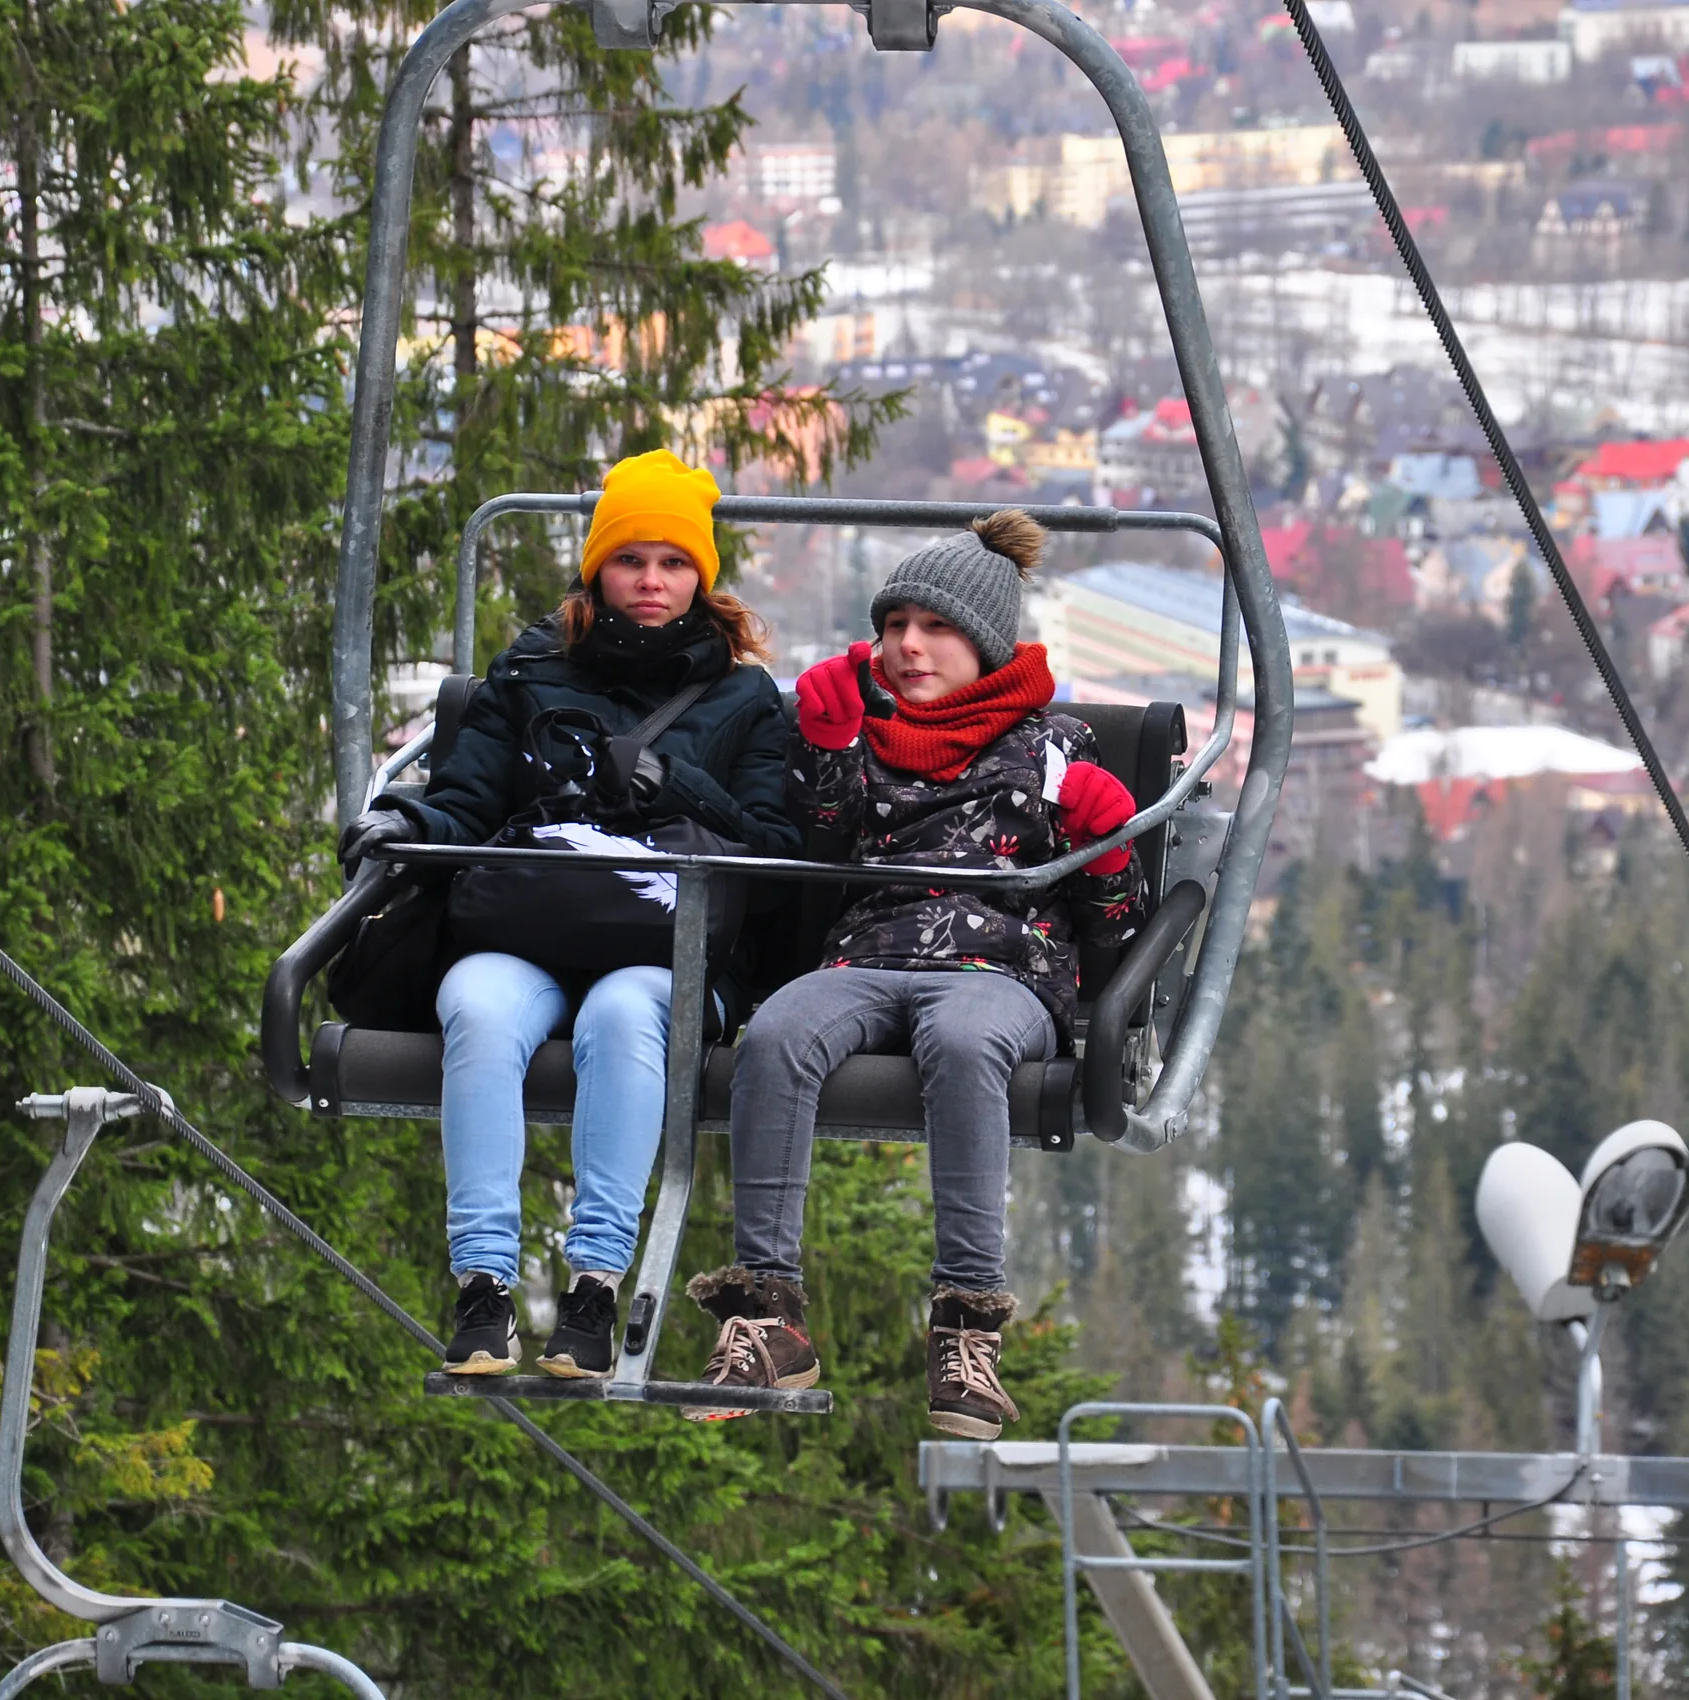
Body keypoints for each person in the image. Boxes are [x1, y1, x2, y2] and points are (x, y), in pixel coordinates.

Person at [680, 510, 1151, 1437]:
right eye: (894, 626)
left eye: (933, 628)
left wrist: (1104, 851)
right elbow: (822, 834)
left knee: (965, 1042)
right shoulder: (866, 737)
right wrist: (822, 742)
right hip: (870, 952)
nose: (907, 646)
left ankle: (967, 1323)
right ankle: (766, 1309)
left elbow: (1116, 932)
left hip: (1002, 966)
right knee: (776, 1033)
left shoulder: (1054, 750)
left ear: (982, 644)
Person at [337, 449, 799, 1380]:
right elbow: (468, 798)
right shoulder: (533, 670)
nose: (652, 583)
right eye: (633, 560)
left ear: (701, 578)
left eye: (674, 564)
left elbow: (771, 842)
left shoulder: (745, 697)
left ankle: (593, 1287)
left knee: (626, 1016)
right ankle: (484, 1288)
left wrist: (679, 783)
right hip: (535, 923)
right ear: (599, 568)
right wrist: (404, 821)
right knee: (475, 1001)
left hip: (665, 937)